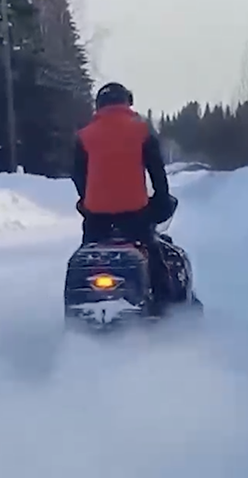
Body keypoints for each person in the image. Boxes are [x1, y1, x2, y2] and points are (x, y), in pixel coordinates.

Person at [72, 82, 176, 313]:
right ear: (127, 102)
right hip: (135, 216)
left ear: (98, 106)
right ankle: (164, 308)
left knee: (88, 255)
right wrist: (161, 200)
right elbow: (157, 172)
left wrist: (86, 201)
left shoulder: (84, 135)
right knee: (152, 257)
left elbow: (78, 175)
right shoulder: (141, 130)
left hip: (97, 218)